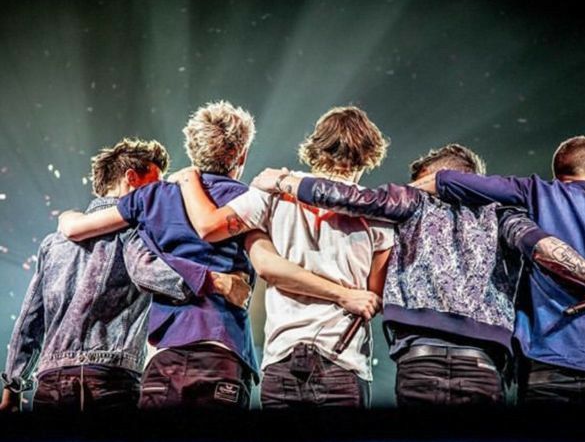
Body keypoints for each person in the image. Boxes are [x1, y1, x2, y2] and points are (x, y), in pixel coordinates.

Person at [251, 142, 585, 407]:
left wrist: (284, 182)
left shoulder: (413, 201)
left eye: (422, 179)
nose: (415, 185)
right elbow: (544, 247)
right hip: (482, 364)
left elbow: (353, 198)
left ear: (441, 177)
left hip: (420, 360)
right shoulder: (504, 215)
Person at [59, 101, 379, 411]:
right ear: (241, 155)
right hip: (223, 349)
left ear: (193, 149)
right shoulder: (249, 198)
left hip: (165, 353)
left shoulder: (152, 195)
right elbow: (261, 258)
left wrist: (66, 217)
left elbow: (77, 229)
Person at [411, 134, 585, 405]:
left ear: (558, 173)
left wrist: (402, 193)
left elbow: (448, 180)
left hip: (543, 368)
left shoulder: (535, 193)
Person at [170, 105, 394, 408]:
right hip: (343, 359)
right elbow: (372, 297)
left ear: (315, 146)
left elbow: (209, 227)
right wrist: (343, 293)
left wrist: (189, 178)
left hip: (282, 355)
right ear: (369, 153)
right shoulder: (378, 214)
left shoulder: (271, 191)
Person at [0, 137, 236, 415]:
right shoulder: (135, 231)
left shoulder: (53, 242)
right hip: (110, 379)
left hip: (51, 381)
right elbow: (147, 272)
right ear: (131, 179)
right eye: (155, 183)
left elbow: (30, 319)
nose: (160, 194)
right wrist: (210, 280)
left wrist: (13, 388)